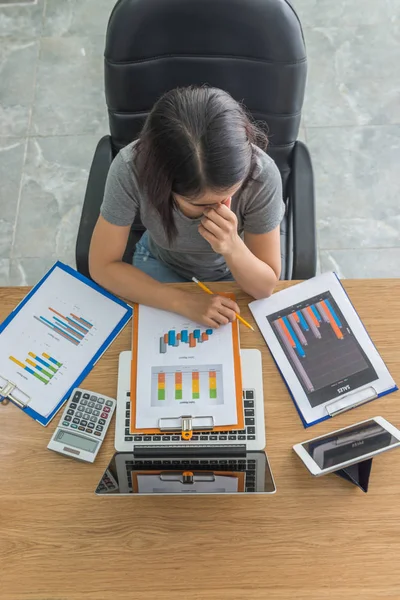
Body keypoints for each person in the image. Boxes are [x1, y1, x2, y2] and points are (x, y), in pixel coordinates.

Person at [89, 86, 285, 329]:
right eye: (201, 204)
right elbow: (102, 266)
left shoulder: (261, 176)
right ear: (163, 184)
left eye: (229, 195)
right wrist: (184, 302)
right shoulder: (130, 168)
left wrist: (232, 246)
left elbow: (264, 287)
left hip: (235, 272)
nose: (221, 208)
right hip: (160, 262)